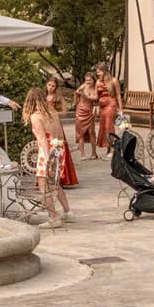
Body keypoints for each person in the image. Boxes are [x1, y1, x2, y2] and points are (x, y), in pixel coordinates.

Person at [23, 88, 70, 227]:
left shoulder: (36, 116)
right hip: (58, 149)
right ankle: (67, 211)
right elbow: (61, 134)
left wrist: (47, 159)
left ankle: (53, 217)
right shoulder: (52, 112)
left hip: (47, 152)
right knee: (55, 183)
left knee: (44, 186)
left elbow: (43, 139)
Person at [43, 78, 78, 186]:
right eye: (49, 85)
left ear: (56, 87)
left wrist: (54, 113)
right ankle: (47, 175)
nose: (51, 87)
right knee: (46, 147)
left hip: (55, 124)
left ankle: (62, 177)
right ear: (46, 85)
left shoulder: (58, 97)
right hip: (45, 124)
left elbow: (65, 111)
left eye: (53, 86)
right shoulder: (43, 97)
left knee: (58, 147)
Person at [93, 63, 121, 149]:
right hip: (102, 107)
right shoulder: (97, 82)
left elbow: (118, 95)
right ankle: (108, 150)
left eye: (99, 72)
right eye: (97, 72)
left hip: (111, 104)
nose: (98, 74)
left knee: (109, 126)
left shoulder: (114, 80)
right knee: (104, 127)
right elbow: (96, 97)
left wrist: (121, 109)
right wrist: (95, 105)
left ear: (104, 71)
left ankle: (112, 150)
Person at [73, 72, 99, 159]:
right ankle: (82, 154)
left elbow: (95, 98)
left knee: (92, 132)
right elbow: (76, 93)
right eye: (86, 80)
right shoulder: (83, 86)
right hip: (81, 111)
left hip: (90, 111)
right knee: (81, 133)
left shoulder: (95, 88)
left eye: (90, 80)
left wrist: (86, 96)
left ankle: (94, 153)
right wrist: (76, 103)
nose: (88, 82)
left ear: (93, 80)